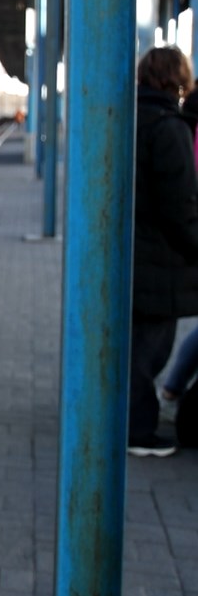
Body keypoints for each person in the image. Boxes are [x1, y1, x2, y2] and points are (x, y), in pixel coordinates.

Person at [130, 46, 198, 457]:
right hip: (160, 260)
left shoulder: (128, 117)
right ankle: (138, 432)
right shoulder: (168, 128)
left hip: (133, 251)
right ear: (176, 79)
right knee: (150, 352)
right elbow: (179, 206)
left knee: (136, 346)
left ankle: (129, 421)